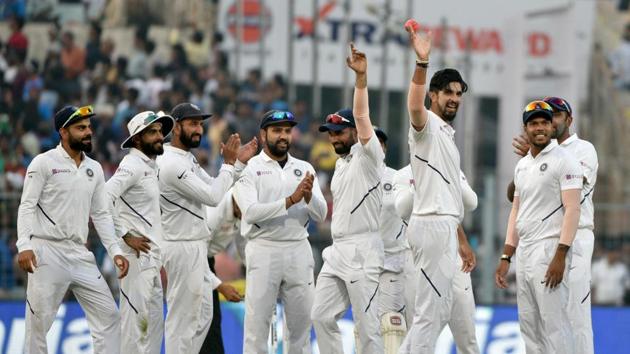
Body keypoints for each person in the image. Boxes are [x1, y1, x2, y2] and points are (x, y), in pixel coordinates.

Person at [16, 105, 129, 354]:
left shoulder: (95, 168)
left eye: (88, 127)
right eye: (81, 128)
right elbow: (27, 206)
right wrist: (23, 245)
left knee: (109, 316)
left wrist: (115, 251)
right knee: (38, 326)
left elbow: (100, 214)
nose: (88, 132)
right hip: (46, 251)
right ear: (63, 132)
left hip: (80, 253)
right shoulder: (43, 163)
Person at [398, 23, 476, 353]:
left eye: (459, 94)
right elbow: (414, 107)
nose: (455, 99)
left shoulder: (446, 135)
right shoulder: (427, 126)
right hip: (431, 224)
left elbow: (451, 197)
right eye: (449, 93)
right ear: (434, 95)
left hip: (442, 225)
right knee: (430, 315)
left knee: (438, 311)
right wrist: (422, 62)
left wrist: (459, 238)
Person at [157, 102, 257, 354]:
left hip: (195, 248)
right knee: (181, 324)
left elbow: (216, 185)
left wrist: (238, 165)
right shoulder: (171, 163)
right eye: (192, 123)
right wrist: (229, 163)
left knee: (201, 321)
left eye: (200, 124)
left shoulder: (186, 158)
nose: (198, 129)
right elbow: (214, 196)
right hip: (180, 247)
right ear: (176, 126)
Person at [310, 43, 385, 354]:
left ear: (355, 133)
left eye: (340, 132)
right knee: (321, 315)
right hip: (338, 250)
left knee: (368, 329)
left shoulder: (370, 156)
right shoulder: (340, 165)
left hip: (363, 251)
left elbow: (362, 115)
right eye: (330, 133)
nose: (334, 137)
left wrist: (361, 79)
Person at [509, 96, 598, 354]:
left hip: (576, 236)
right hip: (541, 240)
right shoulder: (535, 156)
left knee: (575, 311)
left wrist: (537, 153)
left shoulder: (583, 149)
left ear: (569, 120)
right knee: (541, 317)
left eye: (557, 116)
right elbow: (515, 197)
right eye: (548, 117)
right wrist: (531, 158)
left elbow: (573, 191)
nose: (551, 121)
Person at [234, 110, 328, 353]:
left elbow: (321, 215)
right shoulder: (249, 168)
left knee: (301, 328)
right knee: (257, 329)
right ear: (263, 134)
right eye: (277, 130)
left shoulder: (304, 167)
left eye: (287, 130)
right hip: (264, 248)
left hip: (298, 248)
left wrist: (308, 198)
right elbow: (251, 213)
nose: (283, 136)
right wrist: (290, 200)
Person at [105, 111, 175, 353]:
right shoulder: (132, 165)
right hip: (136, 257)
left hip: (152, 257)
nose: (160, 137)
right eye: (152, 132)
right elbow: (103, 198)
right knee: (135, 325)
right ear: (136, 139)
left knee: (153, 326)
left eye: (160, 132)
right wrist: (125, 234)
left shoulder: (150, 165)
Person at [394, 165, 479, 354]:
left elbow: (471, 202)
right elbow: (402, 209)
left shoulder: (452, 168)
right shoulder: (403, 175)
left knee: (467, 334)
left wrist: (446, 175)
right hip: (418, 258)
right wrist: (422, 180)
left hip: (453, 255)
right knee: (421, 329)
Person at [369, 127, 409, 354]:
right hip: (360, 264)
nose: (376, 147)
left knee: (391, 324)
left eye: (380, 143)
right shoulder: (346, 173)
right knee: (365, 326)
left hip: (391, 263)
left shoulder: (396, 177)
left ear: (384, 149)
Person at [202, 188, 242, 354]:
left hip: (207, 261)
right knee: (199, 325)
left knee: (213, 321)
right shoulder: (213, 211)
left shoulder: (244, 208)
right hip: (190, 262)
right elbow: (194, 259)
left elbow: (244, 246)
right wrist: (220, 286)